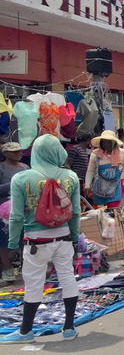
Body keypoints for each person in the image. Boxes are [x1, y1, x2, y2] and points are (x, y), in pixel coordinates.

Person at [0, 135, 82, 343]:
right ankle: (69, 327)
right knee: (67, 277)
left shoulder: (22, 178)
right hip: (63, 236)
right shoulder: (70, 176)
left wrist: (12, 244)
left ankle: (26, 331)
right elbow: (75, 212)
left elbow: (16, 216)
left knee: (34, 283)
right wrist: (73, 237)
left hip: (35, 239)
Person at [0, 142, 29, 284]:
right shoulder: (1, 168)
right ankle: (8, 269)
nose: (19, 153)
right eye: (15, 152)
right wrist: (14, 183)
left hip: (25, 207)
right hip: (5, 211)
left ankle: (27, 266)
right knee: (5, 240)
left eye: (20, 151)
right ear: (5, 153)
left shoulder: (25, 168)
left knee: (26, 238)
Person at [85, 130, 124, 209]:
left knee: (113, 211)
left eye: (109, 142)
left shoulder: (122, 153)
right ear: (101, 143)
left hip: (116, 188)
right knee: (99, 212)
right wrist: (87, 186)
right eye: (104, 142)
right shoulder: (95, 154)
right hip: (99, 187)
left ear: (114, 143)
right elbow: (90, 171)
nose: (106, 144)